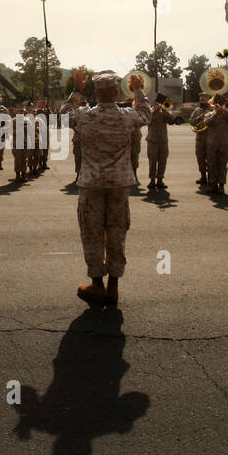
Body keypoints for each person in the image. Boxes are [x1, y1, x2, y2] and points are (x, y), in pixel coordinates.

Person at [67, 70, 150, 306]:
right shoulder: (127, 116)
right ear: (116, 92)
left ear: (95, 94)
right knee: (116, 233)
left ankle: (96, 284)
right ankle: (113, 287)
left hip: (92, 184)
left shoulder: (84, 116)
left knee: (92, 233)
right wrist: (137, 89)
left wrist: (77, 91)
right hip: (119, 184)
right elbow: (146, 112)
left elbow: (62, 115)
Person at [198, 94, 228, 195]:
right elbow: (207, 123)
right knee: (212, 164)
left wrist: (225, 112)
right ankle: (213, 184)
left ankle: (221, 185)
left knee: (223, 164)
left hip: (224, 142)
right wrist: (215, 114)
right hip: (212, 143)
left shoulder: (227, 113)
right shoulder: (209, 114)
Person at [60, 90, 87, 181]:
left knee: (82, 158)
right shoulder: (80, 112)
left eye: (84, 103)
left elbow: (65, 117)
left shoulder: (83, 113)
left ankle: (81, 175)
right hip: (80, 140)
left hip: (82, 140)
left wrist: (76, 91)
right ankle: (79, 174)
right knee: (79, 158)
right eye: (82, 103)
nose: (83, 104)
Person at [190, 92, 213, 187]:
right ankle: (203, 176)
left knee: (211, 159)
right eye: (201, 99)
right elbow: (191, 121)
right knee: (200, 158)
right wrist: (200, 117)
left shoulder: (213, 109)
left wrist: (209, 112)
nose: (202, 100)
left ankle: (211, 177)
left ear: (208, 99)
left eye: (204, 98)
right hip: (200, 138)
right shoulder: (197, 110)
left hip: (210, 138)